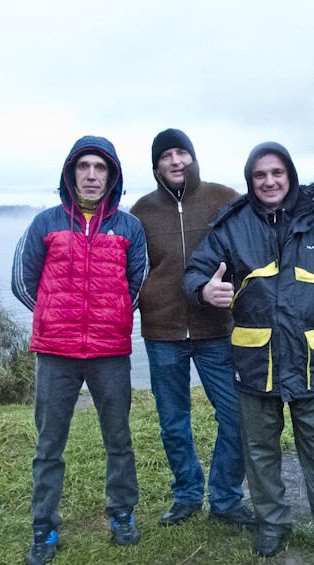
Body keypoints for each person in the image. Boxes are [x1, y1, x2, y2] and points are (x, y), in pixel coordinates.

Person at [184, 142, 314, 565]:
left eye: (277, 173)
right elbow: (194, 272)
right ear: (250, 180)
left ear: (290, 175)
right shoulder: (231, 226)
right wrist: (206, 290)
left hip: (313, 360)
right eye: (260, 174)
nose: (269, 181)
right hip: (253, 362)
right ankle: (271, 523)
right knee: (260, 452)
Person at [12, 135, 149, 565]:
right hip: (56, 352)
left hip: (110, 352)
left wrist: (104, 319)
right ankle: (43, 525)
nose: (92, 175)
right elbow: (22, 281)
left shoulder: (129, 228)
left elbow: (137, 285)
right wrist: (55, 316)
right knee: (49, 443)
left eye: (100, 168)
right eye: (84, 167)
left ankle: (122, 512)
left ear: (112, 176)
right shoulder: (45, 223)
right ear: (70, 173)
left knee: (119, 439)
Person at [129, 129, 255, 529]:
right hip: (162, 332)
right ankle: (186, 494)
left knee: (235, 415)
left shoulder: (225, 198)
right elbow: (131, 271)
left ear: (193, 157)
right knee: (173, 421)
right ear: (156, 166)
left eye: (182, 152)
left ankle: (225, 498)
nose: (176, 161)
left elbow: (259, 235)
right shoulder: (141, 211)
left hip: (217, 329)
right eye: (166, 156)